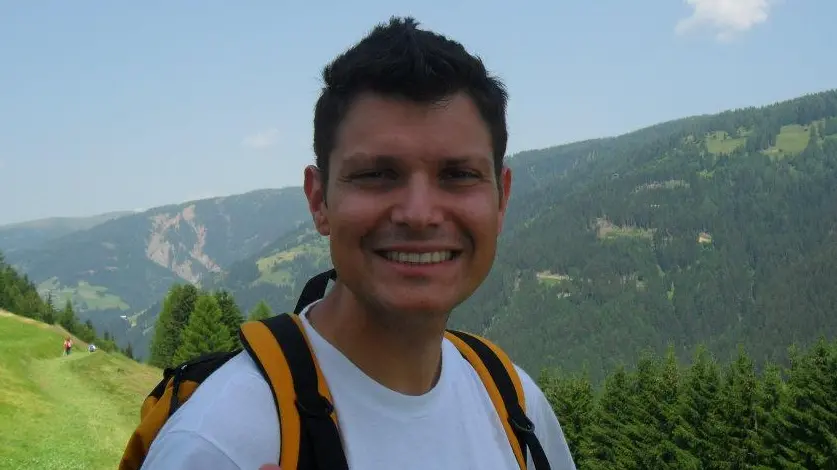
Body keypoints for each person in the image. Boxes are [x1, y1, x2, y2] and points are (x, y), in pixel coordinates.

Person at [139, 16, 577, 470]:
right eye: (376, 174)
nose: (419, 214)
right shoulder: (222, 445)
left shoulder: (516, 405)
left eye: (459, 175)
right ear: (319, 201)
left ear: (502, 199)